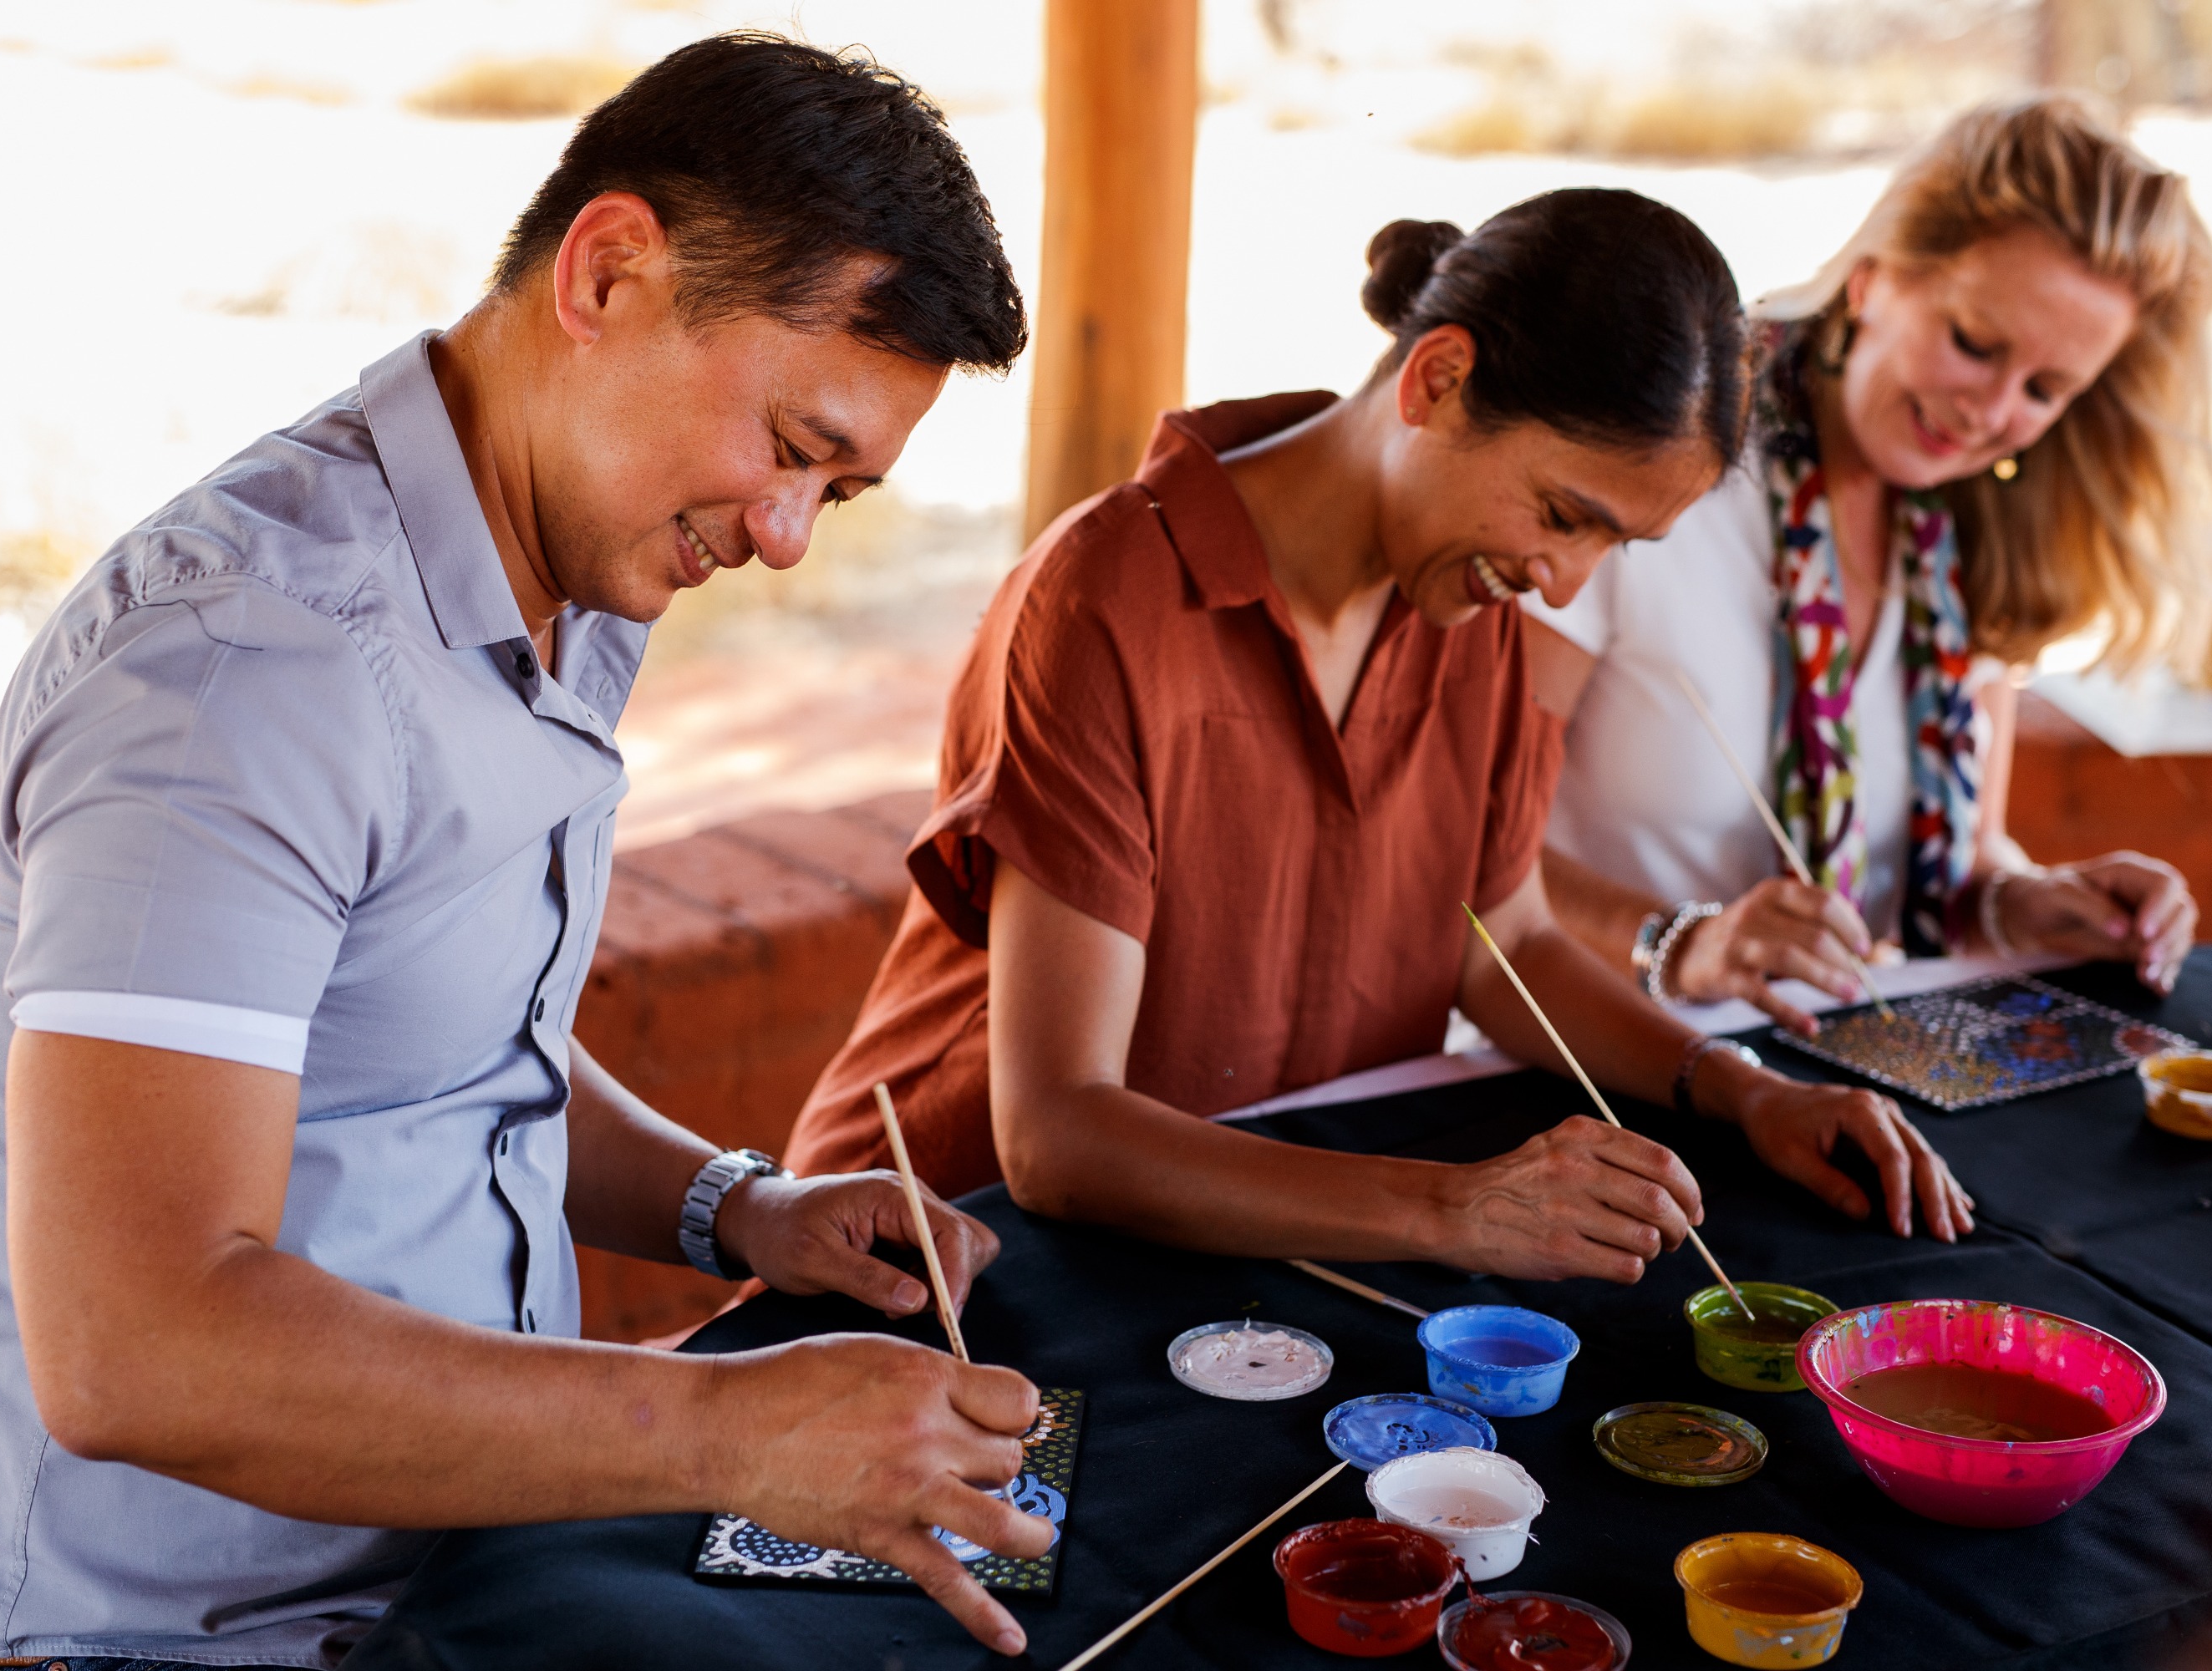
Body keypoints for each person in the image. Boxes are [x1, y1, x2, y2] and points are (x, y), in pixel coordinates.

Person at [0, 37, 1055, 1668]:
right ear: (609, 272)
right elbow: (134, 1345)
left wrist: (741, 1208)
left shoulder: (573, 573)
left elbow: (435, 1044)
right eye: (793, 446)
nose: (790, 538)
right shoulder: (243, 664)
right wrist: (725, 1429)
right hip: (185, 1640)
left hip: (466, 1568)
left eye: (841, 494)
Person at [784, 190, 1972, 1285]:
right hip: (954, 1257)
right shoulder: (1104, 602)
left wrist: (1741, 1092)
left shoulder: (1475, 603)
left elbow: (1502, 945)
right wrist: (1460, 1212)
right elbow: (1058, 1136)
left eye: (1613, 549)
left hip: (1264, 1242)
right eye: (1565, 516)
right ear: (1437, 380)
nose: (1564, 586)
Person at [1523, 96, 2212, 1034]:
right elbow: (1461, 846)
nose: (1990, 410)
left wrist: (2027, 903)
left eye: (2046, 391)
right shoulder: (1658, 457)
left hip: (1833, 1074)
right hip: (1582, 1071)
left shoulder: (1975, 540)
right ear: (1873, 277)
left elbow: (1956, 866)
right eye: (1974, 343)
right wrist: (1682, 946)